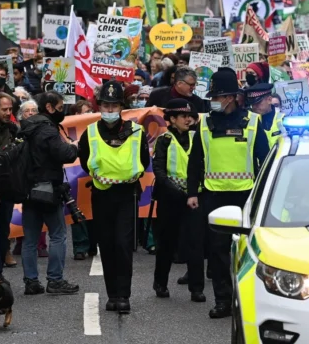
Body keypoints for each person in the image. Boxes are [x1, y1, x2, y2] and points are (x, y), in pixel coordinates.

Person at [186, 68, 269, 319]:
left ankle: (247, 300)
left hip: (246, 197)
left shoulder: (253, 123)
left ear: (231, 97)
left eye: (218, 97)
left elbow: (264, 161)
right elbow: (195, 161)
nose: (214, 101)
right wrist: (192, 193)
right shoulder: (205, 125)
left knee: (248, 252)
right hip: (215, 196)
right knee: (218, 252)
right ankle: (223, 300)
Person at [78, 82, 150, 313]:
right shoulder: (90, 132)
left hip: (126, 194)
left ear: (122, 106)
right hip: (101, 194)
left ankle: (124, 295)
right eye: (106, 105)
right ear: (100, 106)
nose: (110, 110)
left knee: (123, 244)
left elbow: (144, 159)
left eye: (114, 105)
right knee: (107, 245)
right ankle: (112, 295)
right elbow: (84, 159)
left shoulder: (136, 131)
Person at [20, 91, 81, 295]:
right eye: (59, 106)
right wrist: (74, 147)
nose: (61, 110)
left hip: (28, 189)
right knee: (58, 235)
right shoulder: (47, 130)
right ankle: (55, 280)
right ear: (49, 107)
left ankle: (31, 281)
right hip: (48, 189)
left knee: (29, 238)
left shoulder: (27, 127)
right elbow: (63, 154)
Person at [151, 99, 203, 301]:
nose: (188, 119)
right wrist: (176, 191)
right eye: (184, 116)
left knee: (195, 243)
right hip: (170, 199)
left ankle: (196, 288)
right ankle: (160, 283)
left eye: (190, 116)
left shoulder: (197, 138)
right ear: (172, 119)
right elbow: (159, 170)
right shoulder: (164, 140)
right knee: (167, 243)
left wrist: (193, 191)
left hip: (194, 197)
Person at [0, 93, 20, 276]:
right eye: (4, 109)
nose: (8, 113)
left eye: (10, 109)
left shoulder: (14, 130)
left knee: (4, 229)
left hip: (7, 186)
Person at [246, 82, 284, 149]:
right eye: (253, 104)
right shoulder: (249, 121)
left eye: (258, 103)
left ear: (269, 100)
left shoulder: (283, 119)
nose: (254, 107)